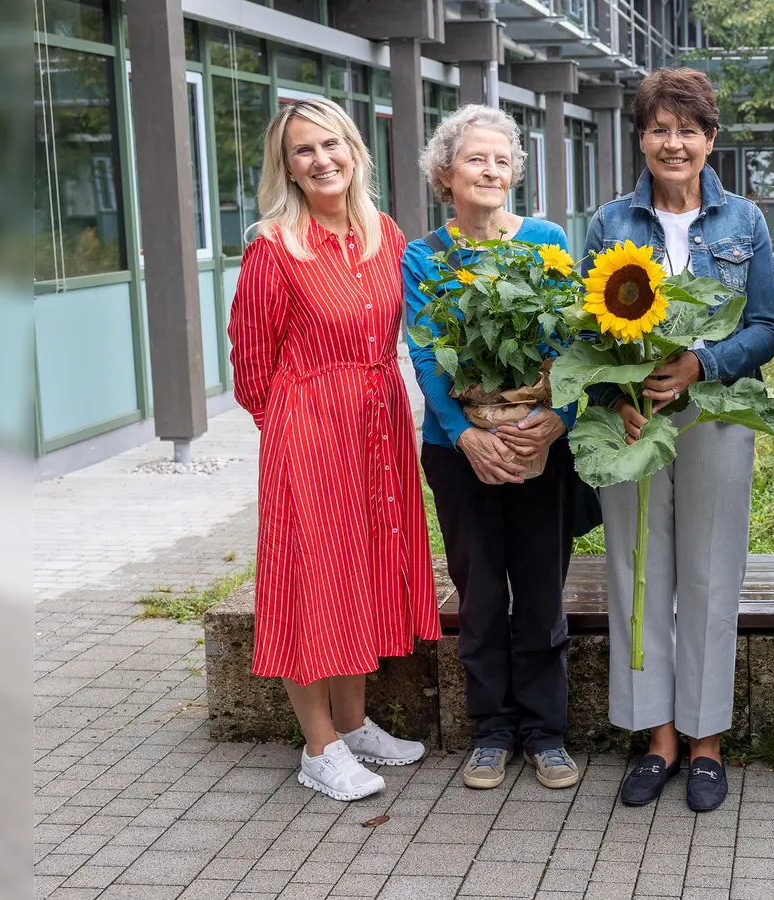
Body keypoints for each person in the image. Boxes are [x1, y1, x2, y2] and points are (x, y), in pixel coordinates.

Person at [579, 68, 774, 813]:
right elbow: (588, 328)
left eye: (687, 129)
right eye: (659, 128)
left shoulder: (746, 223)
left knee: (708, 576)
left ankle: (705, 742)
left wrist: (702, 363)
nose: (674, 142)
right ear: (640, 137)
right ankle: (656, 736)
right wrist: (617, 398)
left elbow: (764, 328)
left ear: (710, 140)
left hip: (716, 415)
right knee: (639, 573)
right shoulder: (608, 224)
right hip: (633, 422)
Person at [228, 98, 436, 802]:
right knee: (312, 583)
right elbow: (251, 367)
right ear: (284, 166)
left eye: (330, 145)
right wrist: (295, 428)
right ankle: (318, 748)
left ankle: (353, 724)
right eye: (302, 151)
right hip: (310, 431)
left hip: (377, 424)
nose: (321, 160)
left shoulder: (385, 234)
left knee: (363, 571)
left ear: (354, 150)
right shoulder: (273, 248)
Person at [402, 104, 583, 793]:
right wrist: (468, 435)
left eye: (503, 160)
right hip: (458, 449)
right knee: (479, 592)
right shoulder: (425, 255)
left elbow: (571, 343)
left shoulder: (543, 240)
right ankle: (491, 731)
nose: (491, 170)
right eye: (476, 158)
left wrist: (558, 418)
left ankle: (544, 732)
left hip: (538, 442)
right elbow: (426, 354)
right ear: (444, 173)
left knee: (540, 587)